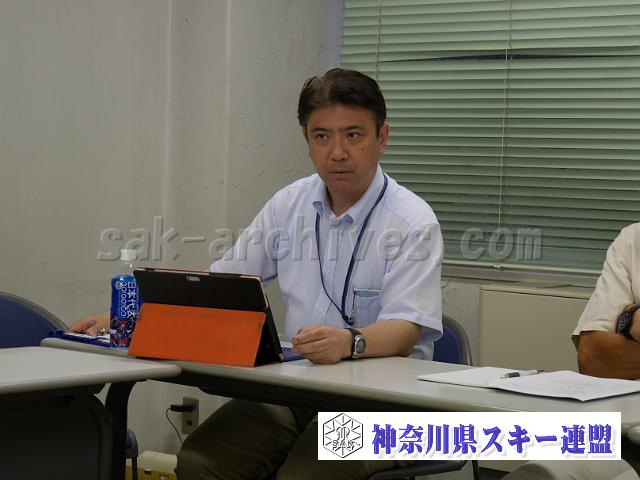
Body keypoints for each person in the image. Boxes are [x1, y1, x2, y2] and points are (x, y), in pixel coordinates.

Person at [71, 68, 444, 479]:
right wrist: (129, 314)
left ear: (382, 137)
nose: (337, 152)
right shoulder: (289, 205)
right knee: (200, 461)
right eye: (322, 136)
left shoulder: (412, 223)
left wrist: (348, 341)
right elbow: (219, 285)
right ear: (306, 140)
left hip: (386, 406)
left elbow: (406, 330)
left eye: (353, 135)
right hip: (297, 390)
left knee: (308, 475)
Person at [503, 222, 640, 480]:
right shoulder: (634, 238)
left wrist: (629, 317)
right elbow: (593, 357)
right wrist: (632, 319)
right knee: (534, 475)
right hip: (619, 433)